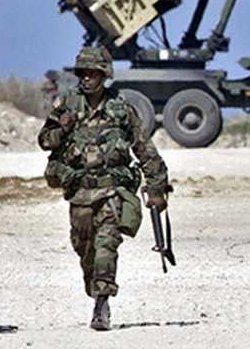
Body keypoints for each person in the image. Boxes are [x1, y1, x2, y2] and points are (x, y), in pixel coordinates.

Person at [38, 47, 171, 331]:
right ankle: (94, 285)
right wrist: (62, 127)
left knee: (106, 244)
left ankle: (102, 304)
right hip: (79, 193)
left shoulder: (121, 108)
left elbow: (144, 148)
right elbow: (45, 141)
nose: (87, 78)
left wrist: (156, 187)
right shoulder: (68, 105)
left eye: (93, 73)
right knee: (84, 247)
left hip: (112, 191)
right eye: (83, 74)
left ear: (104, 75)